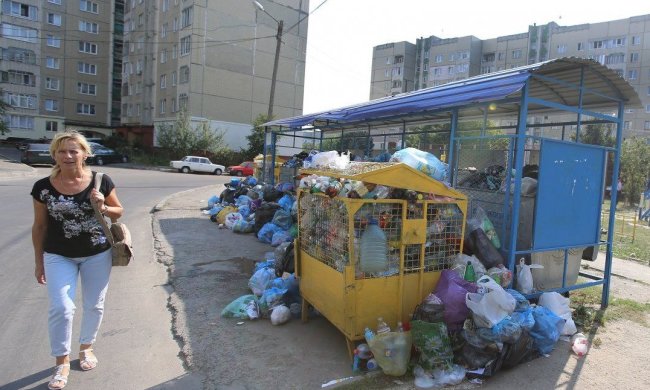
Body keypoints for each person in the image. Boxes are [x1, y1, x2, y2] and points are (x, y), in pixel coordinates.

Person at [31, 131, 124, 390]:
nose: (68, 156)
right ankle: (61, 362)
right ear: (54, 155)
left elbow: (119, 211)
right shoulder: (43, 187)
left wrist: (103, 206)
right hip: (58, 254)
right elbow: (39, 227)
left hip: (97, 253)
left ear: (85, 153)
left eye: (74, 151)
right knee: (62, 308)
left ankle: (86, 348)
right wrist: (39, 262)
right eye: (62, 151)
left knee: (94, 305)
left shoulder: (100, 181)